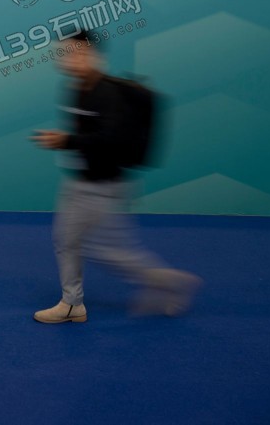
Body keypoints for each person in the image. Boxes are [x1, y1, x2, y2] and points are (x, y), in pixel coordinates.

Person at [29, 30, 201, 323]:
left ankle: (170, 282)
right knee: (66, 241)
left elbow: (111, 140)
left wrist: (66, 141)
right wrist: (69, 143)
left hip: (104, 186)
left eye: (76, 52)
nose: (69, 58)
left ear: (92, 55)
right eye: (65, 53)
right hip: (80, 181)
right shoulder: (75, 88)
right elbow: (88, 135)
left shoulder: (108, 94)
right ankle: (72, 304)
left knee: (107, 252)